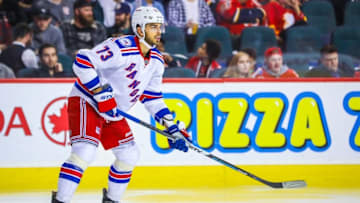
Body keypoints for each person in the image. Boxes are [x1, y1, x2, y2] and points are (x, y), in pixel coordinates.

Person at [51, 6, 192, 203]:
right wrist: (100, 93)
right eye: (153, 27)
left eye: (160, 27)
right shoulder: (121, 47)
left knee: (129, 155)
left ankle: (111, 200)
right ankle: (61, 200)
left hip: (113, 111)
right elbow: (82, 61)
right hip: (87, 101)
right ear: (140, 29)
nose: (159, 32)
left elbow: (152, 98)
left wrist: (172, 127)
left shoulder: (157, 61)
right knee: (85, 151)